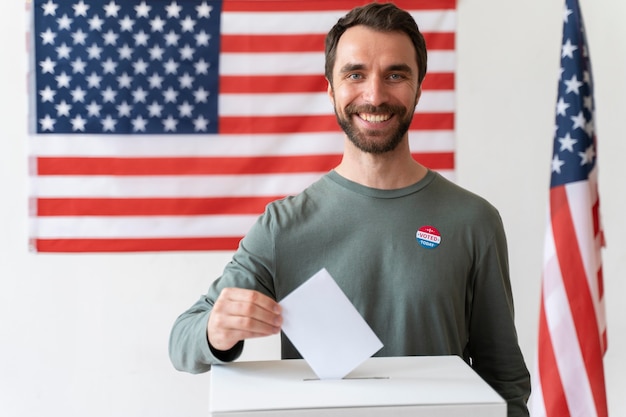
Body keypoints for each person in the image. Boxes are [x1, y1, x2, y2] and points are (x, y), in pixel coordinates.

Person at [169, 3, 531, 416]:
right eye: (355, 74)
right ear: (331, 89)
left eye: (395, 74)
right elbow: (182, 342)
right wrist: (217, 330)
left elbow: (505, 380)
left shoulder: (473, 221)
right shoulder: (282, 227)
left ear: (418, 87)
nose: (374, 95)